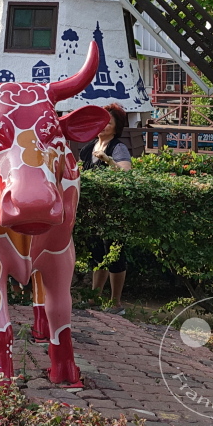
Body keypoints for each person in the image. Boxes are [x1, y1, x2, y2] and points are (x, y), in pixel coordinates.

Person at [80, 103, 132, 315]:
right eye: (100, 121)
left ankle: (116, 303)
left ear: (116, 126)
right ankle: (94, 298)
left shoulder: (118, 147)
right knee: (97, 254)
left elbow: (126, 172)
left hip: (114, 212)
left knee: (115, 255)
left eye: (108, 122)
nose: (103, 126)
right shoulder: (87, 148)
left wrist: (108, 160)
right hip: (93, 212)